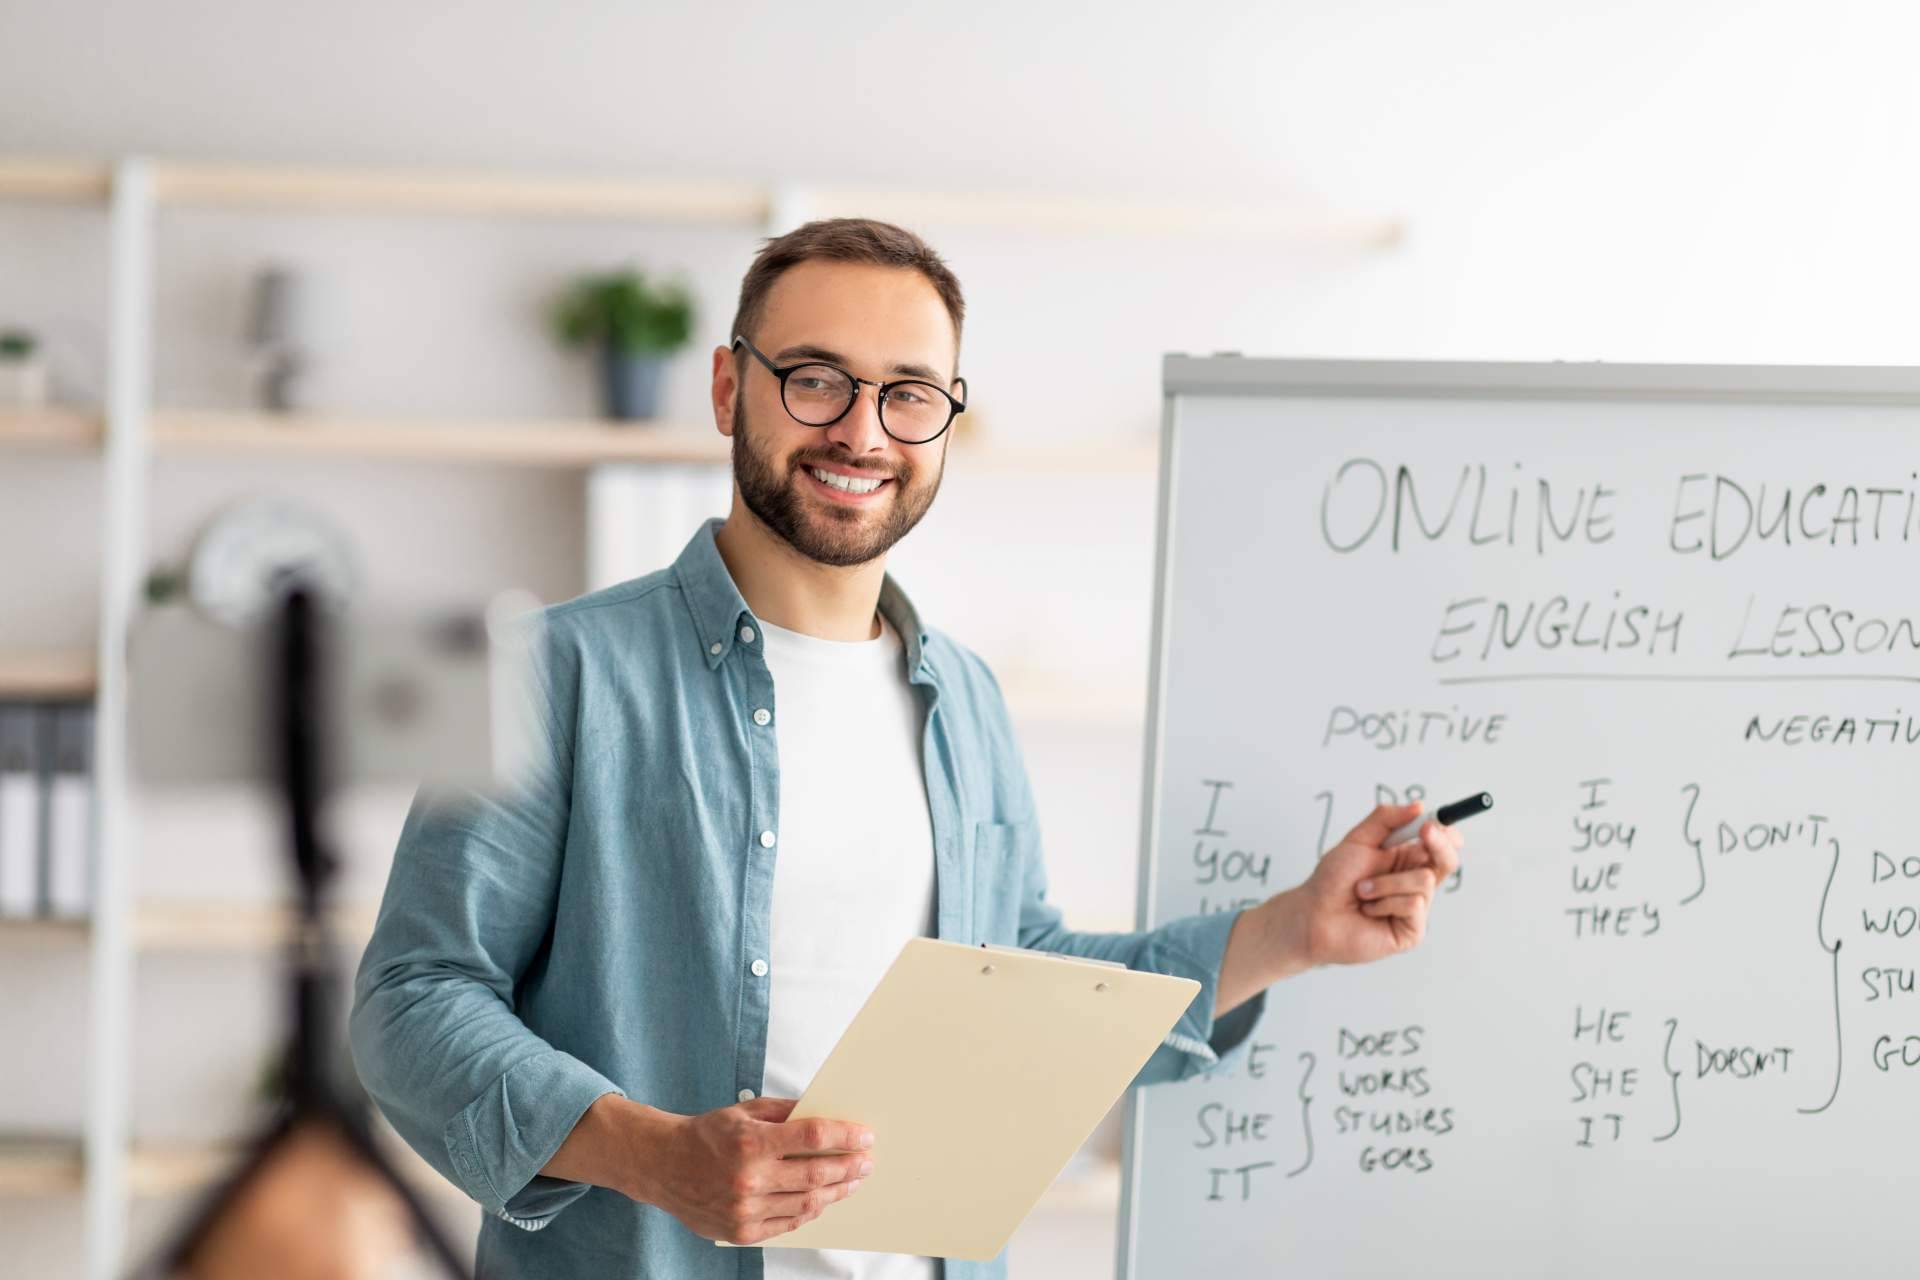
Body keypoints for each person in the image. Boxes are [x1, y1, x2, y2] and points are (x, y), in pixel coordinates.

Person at [348, 218, 1464, 1280]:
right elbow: (412, 998)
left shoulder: (964, 696)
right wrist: (654, 1153)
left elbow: (1024, 980)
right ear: (732, 386)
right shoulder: (554, 672)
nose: (863, 431)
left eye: (909, 393)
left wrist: (1293, 931)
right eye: (817, 378)